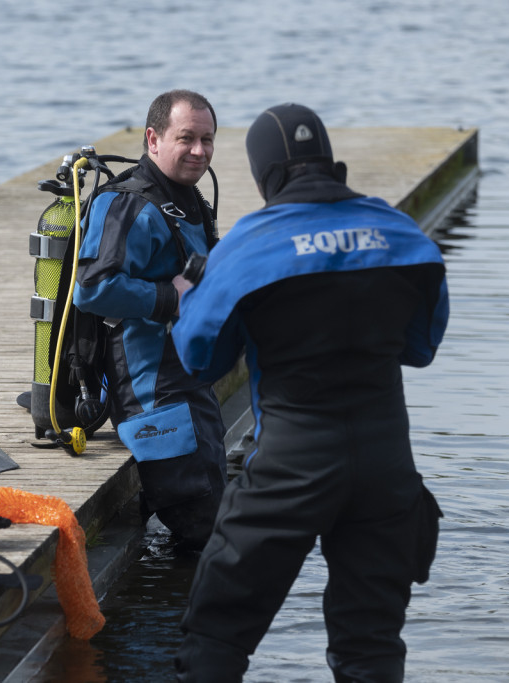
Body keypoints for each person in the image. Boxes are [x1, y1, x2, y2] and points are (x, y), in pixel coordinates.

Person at [171, 103, 448, 681]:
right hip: (385, 461)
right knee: (370, 642)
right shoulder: (404, 234)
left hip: (292, 461)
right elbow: (421, 348)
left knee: (218, 630)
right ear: (330, 160)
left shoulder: (248, 246)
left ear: (263, 174)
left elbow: (198, 359)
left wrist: (192, 294)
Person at [72, 90, 227, 550]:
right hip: (153, 394)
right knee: (208, 533)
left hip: (191, 384)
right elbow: (92, 289)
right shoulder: (128, 205)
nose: (199, 151)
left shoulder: (187, 198)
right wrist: (168, 299)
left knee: (214, 525)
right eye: (187, 138)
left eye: (207, 139)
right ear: (153, 138)